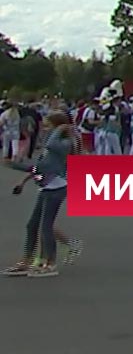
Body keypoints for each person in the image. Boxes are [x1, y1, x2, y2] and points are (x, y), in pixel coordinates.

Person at [5, 110, 73, 278]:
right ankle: (26, 261)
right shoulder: (50, 145)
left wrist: (61, 128)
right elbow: (39, 167)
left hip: (57, 188)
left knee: (46, 227)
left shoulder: (65, 143)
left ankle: (50, 263)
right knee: (32, 225)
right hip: (46, 187)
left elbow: (51, 147)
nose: (43, 128)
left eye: (47, 125)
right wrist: (17, 170)